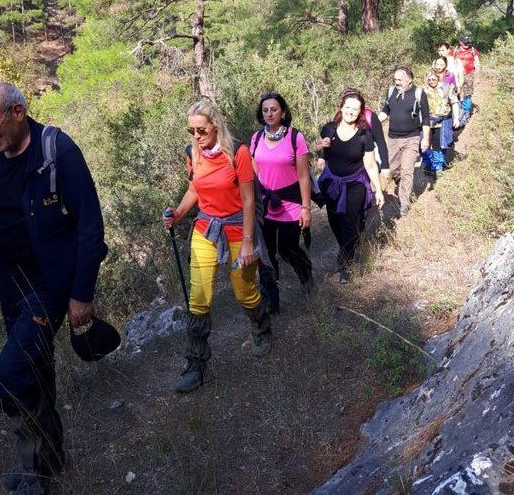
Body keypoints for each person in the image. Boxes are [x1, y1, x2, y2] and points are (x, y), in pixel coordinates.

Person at [0, 82, 107, 495]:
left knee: (11, 375)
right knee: (37, 371)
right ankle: (51, 456)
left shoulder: (57, 151)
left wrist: (82, 293)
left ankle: (35, 471)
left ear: (17, 112)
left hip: (46, 287)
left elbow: (90, 226)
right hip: (8, 286)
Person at [164, 99, 271, 393]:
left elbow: (249, 200)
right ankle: (196, 366)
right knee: (198, 298)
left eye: (201, 130)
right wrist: (180, 213)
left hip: (238, 229)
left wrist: (249, 243)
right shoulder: (192, 154)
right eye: (191, 131)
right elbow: (194, 189)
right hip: (206, 228)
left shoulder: (238, 152)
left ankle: (261, 329)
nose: (196, 136)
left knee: (245, 292)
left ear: (215, 125)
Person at [250, 92, 312, 313]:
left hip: (291, 204)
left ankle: (305, 273)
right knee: (266, 254)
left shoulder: (296, 138)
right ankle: (271, 297)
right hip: (265, 205)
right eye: (265, 110)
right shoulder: (256, 138)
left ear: (283, 112)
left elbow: (304, 175)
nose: (269, 113)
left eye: (274, 109)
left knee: (288, 249)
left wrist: (306, 208)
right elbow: (254, 170)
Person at [315, 90, 384, 283]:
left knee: (350, 223)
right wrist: (320, 150)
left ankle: (346, 264)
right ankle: (347, 248)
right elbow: (319, 148)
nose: (351, 112)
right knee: (335, 222)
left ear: (361, 111)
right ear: (341, 108)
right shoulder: (329, 129)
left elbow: (370, 164)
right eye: (348, 107)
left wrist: (378, 189)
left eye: (355, 109)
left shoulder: (364, 135)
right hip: (332, 183)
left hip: (355, 183)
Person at [378, 67, 431, 217]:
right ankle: (401, 180)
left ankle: (404, 202)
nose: (397, 82)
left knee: (407, 170)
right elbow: (385, 111)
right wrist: (373, 122)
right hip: (393, 138)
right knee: (392, 169)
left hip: (412, 138)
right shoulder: (391, 91)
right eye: (395, 80)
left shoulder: (419, 93)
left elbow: (426, 117)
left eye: (400, 80)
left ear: (409, 79)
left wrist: (425, 138)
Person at [422, 70, 460, 175]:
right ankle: (429, 163)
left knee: (439, 143)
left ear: (438, 78)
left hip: (443, 120)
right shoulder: (423, 91)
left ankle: (438, 166)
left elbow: (454, 102)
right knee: (424, 144)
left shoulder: (447, 87)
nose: (431, 81)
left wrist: (456, 118)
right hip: (428, 121)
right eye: (429, 79)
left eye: (433, 79)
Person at [452, 35, 480, 115]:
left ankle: (466, 113)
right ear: (460, 42)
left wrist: (477, 78)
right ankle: (458, 111)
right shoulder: (455, 50)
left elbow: (477, 64)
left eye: (469, 42)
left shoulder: (472, 50)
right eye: (466, 42)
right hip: (457, 75)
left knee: (467, 94)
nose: (468, 44)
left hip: (469, 75)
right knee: (457, 92)